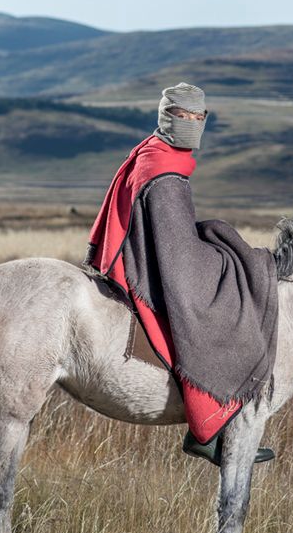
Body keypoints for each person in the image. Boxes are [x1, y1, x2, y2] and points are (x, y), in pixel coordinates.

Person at [85, 82, 277, 465]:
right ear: (165, 116)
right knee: (216, 308)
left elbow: (172, 232)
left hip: (143, 249)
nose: (189, 123)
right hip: (144, 261)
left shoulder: (155, 153)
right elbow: (176, 250)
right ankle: (207, 428)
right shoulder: (164, 165)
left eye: (196, 117)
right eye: (181, 116)